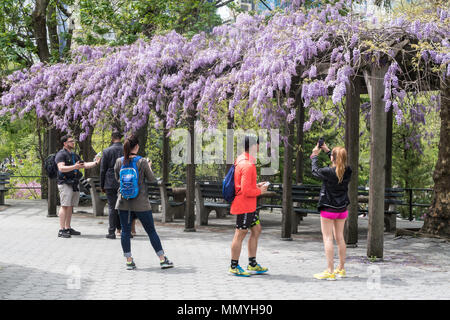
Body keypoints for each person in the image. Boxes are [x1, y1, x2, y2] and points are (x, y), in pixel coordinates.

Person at [114, 134, 174, 270]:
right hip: (141, 202)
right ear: (136, 146)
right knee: (151, 231)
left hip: (123, 201)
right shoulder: (142, 162)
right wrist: (149, 166)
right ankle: (162, 259)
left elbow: (117, 178)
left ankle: (129, 261)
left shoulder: (119, 161)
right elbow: (152, 179)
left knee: (125, 231)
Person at [310, 142, 352, 280]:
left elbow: (315, 171)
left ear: (333, 158)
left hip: (328, 208)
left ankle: (330, 270)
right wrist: (329, 151)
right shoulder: (348, 170)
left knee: (328, 238)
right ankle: (341, 269)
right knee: (340, 238)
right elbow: (338, 161)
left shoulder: (328, 172)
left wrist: (315, 156)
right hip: (342, 210)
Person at [229, 135, 269, 277]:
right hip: (245, 205)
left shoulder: (241, 159)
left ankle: (252, 264)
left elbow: (242, 184)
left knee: (256, 229)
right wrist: (260, 191)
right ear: (253, 146)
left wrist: (256, 185)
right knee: (240, 233)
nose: (259, 147)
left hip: (249, 206)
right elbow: (246, 191)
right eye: (258, 144)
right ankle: (234, 266)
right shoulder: (248, 165)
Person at [56, 134, 100, 238]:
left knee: (70, 207)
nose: (73, 143)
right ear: (65, 143)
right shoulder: (61, 154)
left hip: (74, 183)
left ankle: (68, 228)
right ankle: (61, 230)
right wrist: (75, 166)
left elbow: (84, 165)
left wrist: (96, 163)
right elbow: (61, 168)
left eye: (73, 141)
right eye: (71, 141)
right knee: (64, 206)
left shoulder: (74, 155)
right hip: (65, 183)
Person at [100, 131, 124, 239]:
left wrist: (102, 185)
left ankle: (111, 232)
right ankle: (124, 231)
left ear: (112, 138)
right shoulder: (126, 150)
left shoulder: (106, 151)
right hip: (124, 180)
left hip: (110, 181)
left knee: (111, 207)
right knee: (124, 206)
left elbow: (102, 170)